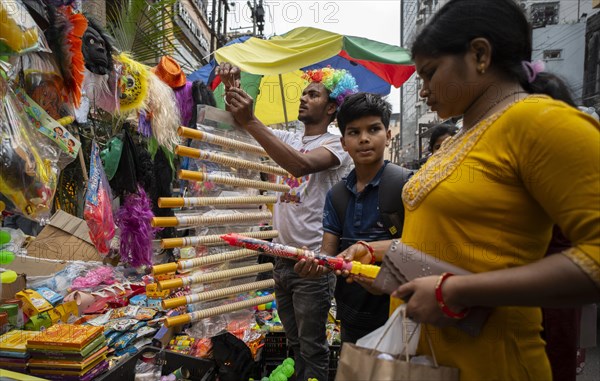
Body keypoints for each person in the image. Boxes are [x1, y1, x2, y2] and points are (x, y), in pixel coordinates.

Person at [382, 0, 600, 380]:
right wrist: (381, 257)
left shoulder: (540, 122)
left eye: (430, 74)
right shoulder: (457, 140)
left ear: (480, 54)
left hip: (494, 362)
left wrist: (457, 292)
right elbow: (460, 240)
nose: (423, 92)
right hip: (428, 359)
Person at [217, 63, 356, 381]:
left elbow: (300, 165)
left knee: (312, 348)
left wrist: (251, 119)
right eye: (304, 93)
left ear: (332, 107)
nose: (304, 98)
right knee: (294, 343)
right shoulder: (287, 137)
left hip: (311, 265)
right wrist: (233, 86)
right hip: (281, 260)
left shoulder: (336, 145)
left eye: (313, 94)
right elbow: (243, 126)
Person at [296, 92, 410, 344]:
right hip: (350, 319)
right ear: (344, 142)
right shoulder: (336, 195)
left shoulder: (406, 185)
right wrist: (314, 265)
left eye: (374, 129)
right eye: (354, 132)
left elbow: (421, 250)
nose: (364, 139)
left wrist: (380, 270)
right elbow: (328, 255)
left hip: (399, 318)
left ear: (388, 135)